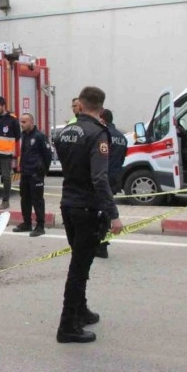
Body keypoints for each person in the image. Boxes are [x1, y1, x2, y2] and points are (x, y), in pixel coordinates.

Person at [54, 86, 123, 344]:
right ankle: (67, 326)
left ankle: (80, 310)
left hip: (68, 204)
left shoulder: (65, 132)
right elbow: (99, 178)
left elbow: (66, 163)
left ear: (80, 105)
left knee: (80, 261)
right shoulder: (97, 134)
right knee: (79, 268)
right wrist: (113, 214)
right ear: (101, 108)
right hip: (86, 208)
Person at [12, 113, 52, 237]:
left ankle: (40, 226)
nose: (22, 124)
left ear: (31, 122)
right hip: (25, 172)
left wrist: (43, 170)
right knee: (25, 199)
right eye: (21, 122)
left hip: (36, 174)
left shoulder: (39, 136)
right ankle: (27, 223)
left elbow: (47, 155)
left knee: (37, 200)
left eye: (24, 122)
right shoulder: (24, 135)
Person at [95, 109, 128, 259]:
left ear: (102, 119)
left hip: (102, 177)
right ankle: (103, 242)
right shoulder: (122, 137)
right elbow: (121, 160)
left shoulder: (102, 134)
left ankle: (100, 245)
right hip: (114, 178)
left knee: (99, 212)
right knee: (107, 210)